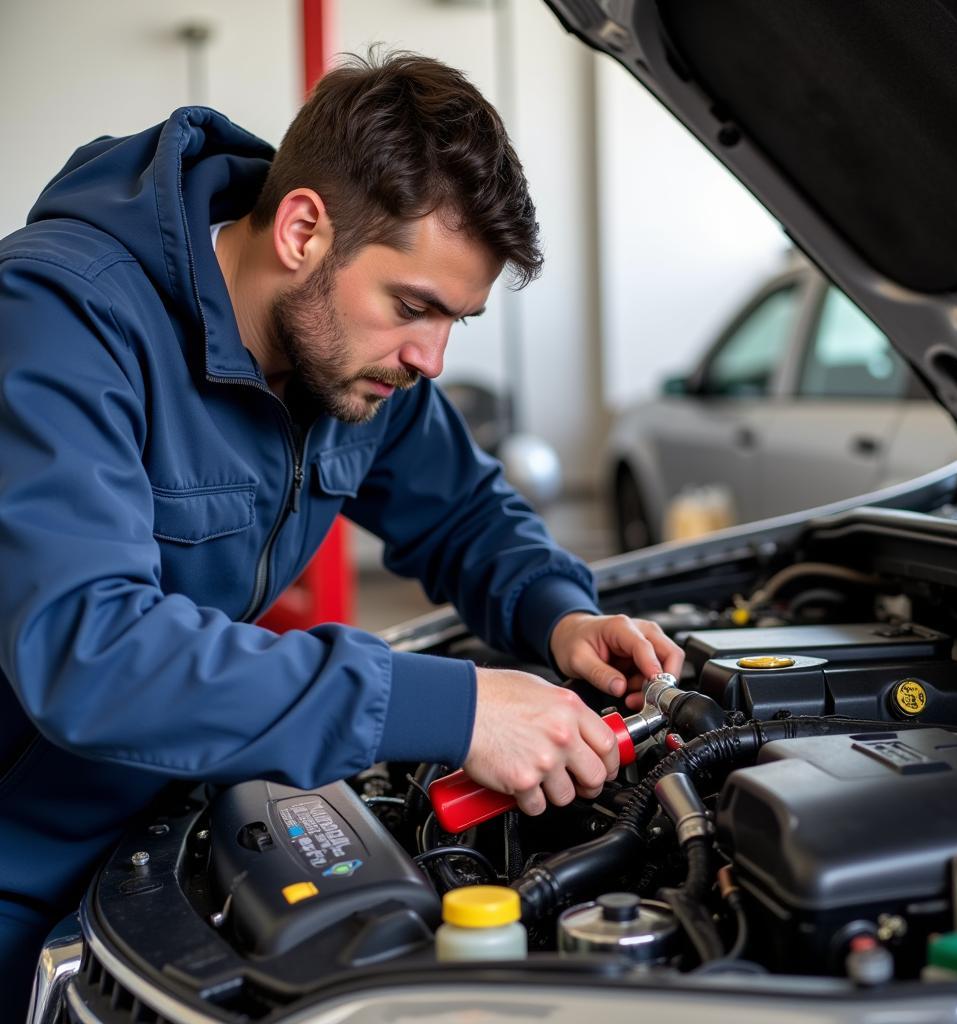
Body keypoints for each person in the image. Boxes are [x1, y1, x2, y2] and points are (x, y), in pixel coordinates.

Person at [0, 51, 683, 1008]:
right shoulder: (61, 318)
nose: (431, 359)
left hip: (151, 847)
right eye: (415, 308)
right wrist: (454, 708)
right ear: (303, 228)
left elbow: (466, 512)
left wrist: (560, 616)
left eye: (458, 321)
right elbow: (93, 653)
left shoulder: (354, 360)